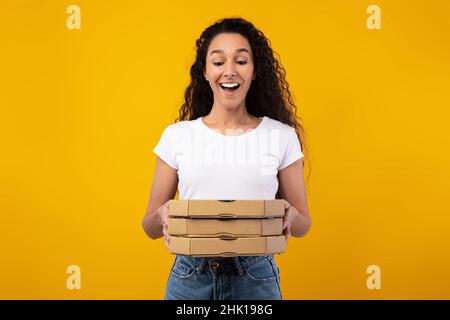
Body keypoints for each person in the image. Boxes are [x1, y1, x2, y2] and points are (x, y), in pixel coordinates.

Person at [142, 17, 311, 300]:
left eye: (241, 61)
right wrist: (160, 218)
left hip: (256, 277)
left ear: (255, 71)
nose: (229, 71)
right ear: (205, 72)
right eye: (219, 62)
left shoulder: (281, 136)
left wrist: (292, 218)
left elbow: (303, 224)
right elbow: (149, 227)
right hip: (189, 277)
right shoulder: (177, 136)